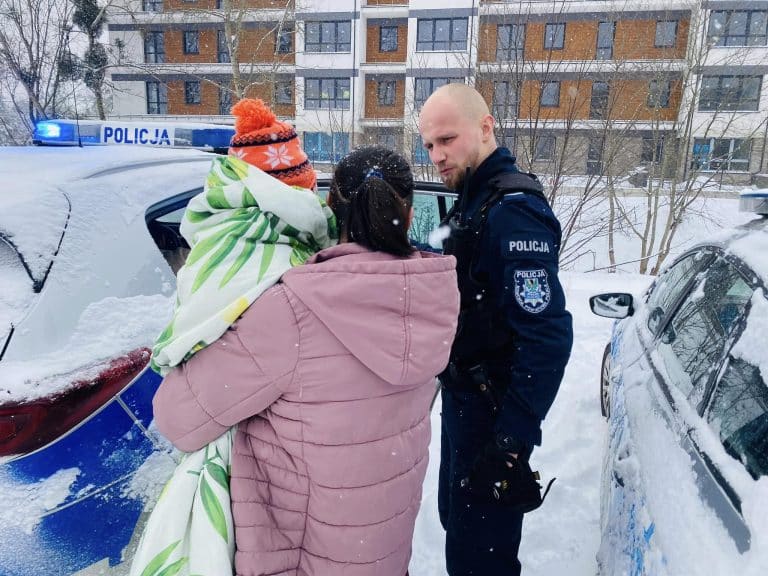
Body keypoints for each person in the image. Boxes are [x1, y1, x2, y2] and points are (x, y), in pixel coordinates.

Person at [152, 145, 460, 576]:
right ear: (409, 216)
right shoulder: (435, 302)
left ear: (329, 210)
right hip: (383, 555)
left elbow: (177, 420)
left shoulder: (291, 311)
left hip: (302, 562)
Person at [418, 83, 573, 575]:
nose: (437, 156)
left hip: (493, 416)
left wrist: (509, 443)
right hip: (467, 404)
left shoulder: (513, 212)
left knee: (480, 561)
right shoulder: (474, 197)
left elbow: (547, 338)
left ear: (485, 127)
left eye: (447, 139)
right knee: (459, 532)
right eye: (428, 145)